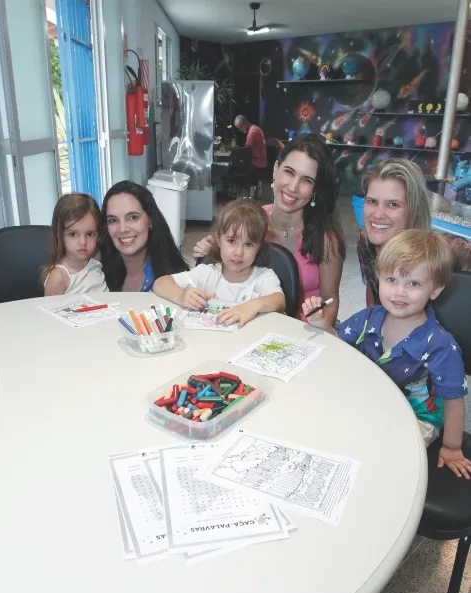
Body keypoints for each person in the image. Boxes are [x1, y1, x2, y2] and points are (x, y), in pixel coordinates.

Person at [304, 229, 471, 478]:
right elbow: (338, 344)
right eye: (391, 280)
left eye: (413, 283)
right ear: (379, 278)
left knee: (382, 459)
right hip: (373, 400)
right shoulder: (370, 317)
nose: (400, 292)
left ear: (434, 290)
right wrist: (320, 323)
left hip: (416, 416)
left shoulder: (440, 346)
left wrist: (451, 447)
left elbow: (454, 401)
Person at [193, 134, 346, 324]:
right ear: (275, 169)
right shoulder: (250, 221)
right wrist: (211, 251)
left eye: (307, 180)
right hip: (249, 325)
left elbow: (331, 301)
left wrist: (321, 327)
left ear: (315, 190)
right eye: (289, 172)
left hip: (302, 332)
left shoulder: (326, 240)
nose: (293, 186)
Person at [154, 199, 285, 328]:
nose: (238, 253)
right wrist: (181, 296)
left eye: (248, 244)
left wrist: (251, 306)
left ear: (259, 247)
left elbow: (279, 300)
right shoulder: (207, 273)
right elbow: (160, 283)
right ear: (218, 238)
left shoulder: (263, 277)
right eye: (232, 241)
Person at [358, 158, 471, 306]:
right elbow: (373, 294)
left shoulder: (444, 252)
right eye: (372, 201)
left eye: (393, 204)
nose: (378, 214)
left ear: (414, 210)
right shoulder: (365, 240)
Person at [100, 180, 189, 291]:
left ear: (150, 220)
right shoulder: (97, 272)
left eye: (133, 217)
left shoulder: (176, 279)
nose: (122, 229)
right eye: (113, 220)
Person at [42, 193, 108, 296]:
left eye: (90, 234)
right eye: (72, 234)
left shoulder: (96, 258)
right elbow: (50, 311)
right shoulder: (58, 277)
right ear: (58, 234)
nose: (83, 242)